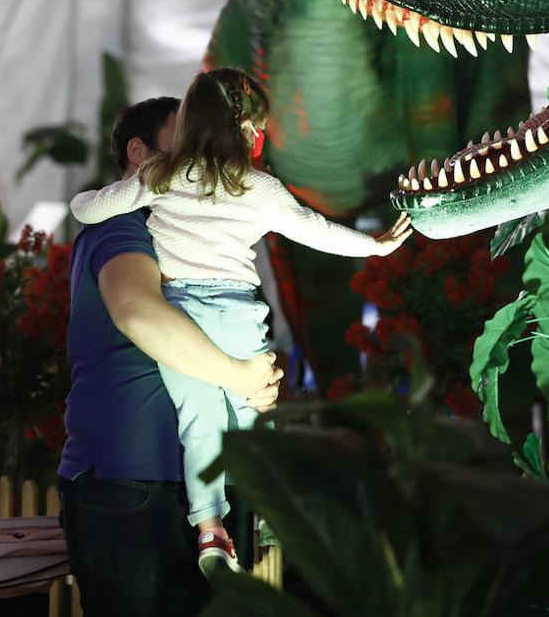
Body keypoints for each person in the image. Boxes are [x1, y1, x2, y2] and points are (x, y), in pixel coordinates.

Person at [69, 68, 412, 574]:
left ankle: (210, 529)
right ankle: (270, 510)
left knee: (200, 422)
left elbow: (91, 209)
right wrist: (375, 244)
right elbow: (316, 231)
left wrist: (87, 198)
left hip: (182, 307)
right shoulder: (260, 187)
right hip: (236, 309)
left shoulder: (159, 176)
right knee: (251, 414)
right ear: (245, 131)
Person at [58, 95, 282, 617]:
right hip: (132, 479)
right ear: (139, 154)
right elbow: (138, 311)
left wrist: (257, 379)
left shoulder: (194, 232)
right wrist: (242, 376)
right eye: (185, 137)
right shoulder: (124, 224)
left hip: (198, 481)